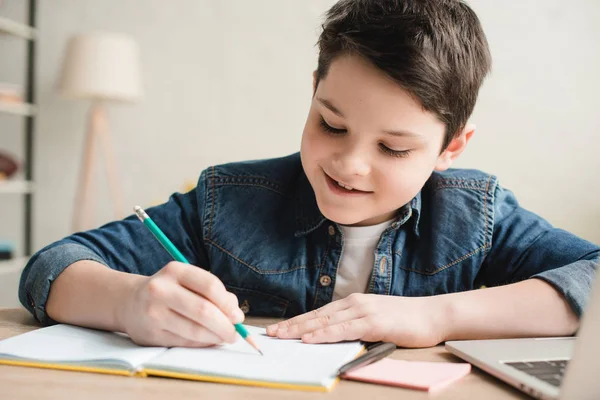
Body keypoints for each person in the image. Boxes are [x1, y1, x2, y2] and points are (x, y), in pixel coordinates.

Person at [20, 0, 599, 348]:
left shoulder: (476, 217)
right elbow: (51, 268)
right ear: (313, 95)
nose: (349, 164)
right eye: (332, 124)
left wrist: (436, 316)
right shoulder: (230, 201)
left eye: (394, 149)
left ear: (451, 148)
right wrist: (129, 303)